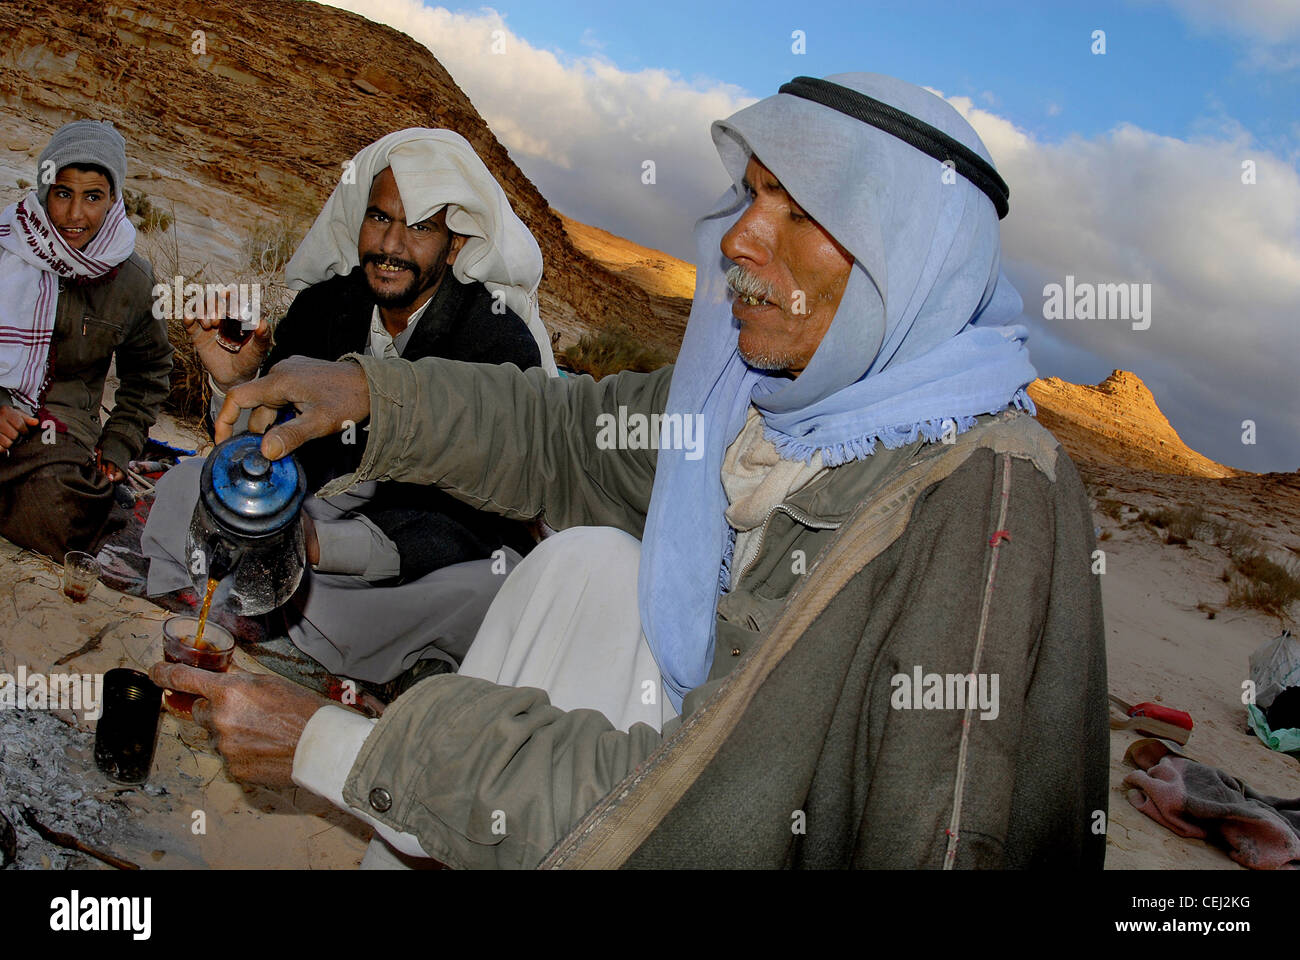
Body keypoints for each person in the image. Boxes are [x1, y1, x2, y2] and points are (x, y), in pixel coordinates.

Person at [152, 74, 1109, 869]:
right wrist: (367, 393)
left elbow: (739, 810)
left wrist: (336, 747)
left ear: (912, 260)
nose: (739, 238)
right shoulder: (747, 402)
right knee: (590, 570)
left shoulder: (983, 495)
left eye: (800, 208)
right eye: (753, 196)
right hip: (696, 793)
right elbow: (567, 435)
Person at [142, 129, 551, 688]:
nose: (391, 246)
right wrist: (237, 382)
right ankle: (304, 635)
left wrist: (325, 545)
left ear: (455, 246)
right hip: (313, 508)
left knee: (492, 591)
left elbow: (493, 512)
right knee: (182, 486)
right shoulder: (326, 304)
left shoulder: (497, 339)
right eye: (380, 219)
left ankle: (297, 627)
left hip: (411, 551)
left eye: (421, 228)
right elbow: (265, 439)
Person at [0, 119, 172, 559]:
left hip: (57, 433)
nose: (75, 214)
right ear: (44, 192)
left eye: (93, 196)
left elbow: (150, 372)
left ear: (114, 199)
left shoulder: (133, 281)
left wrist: (119, 442)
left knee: (55, 502)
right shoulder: (8, 248)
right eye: (63, 193)